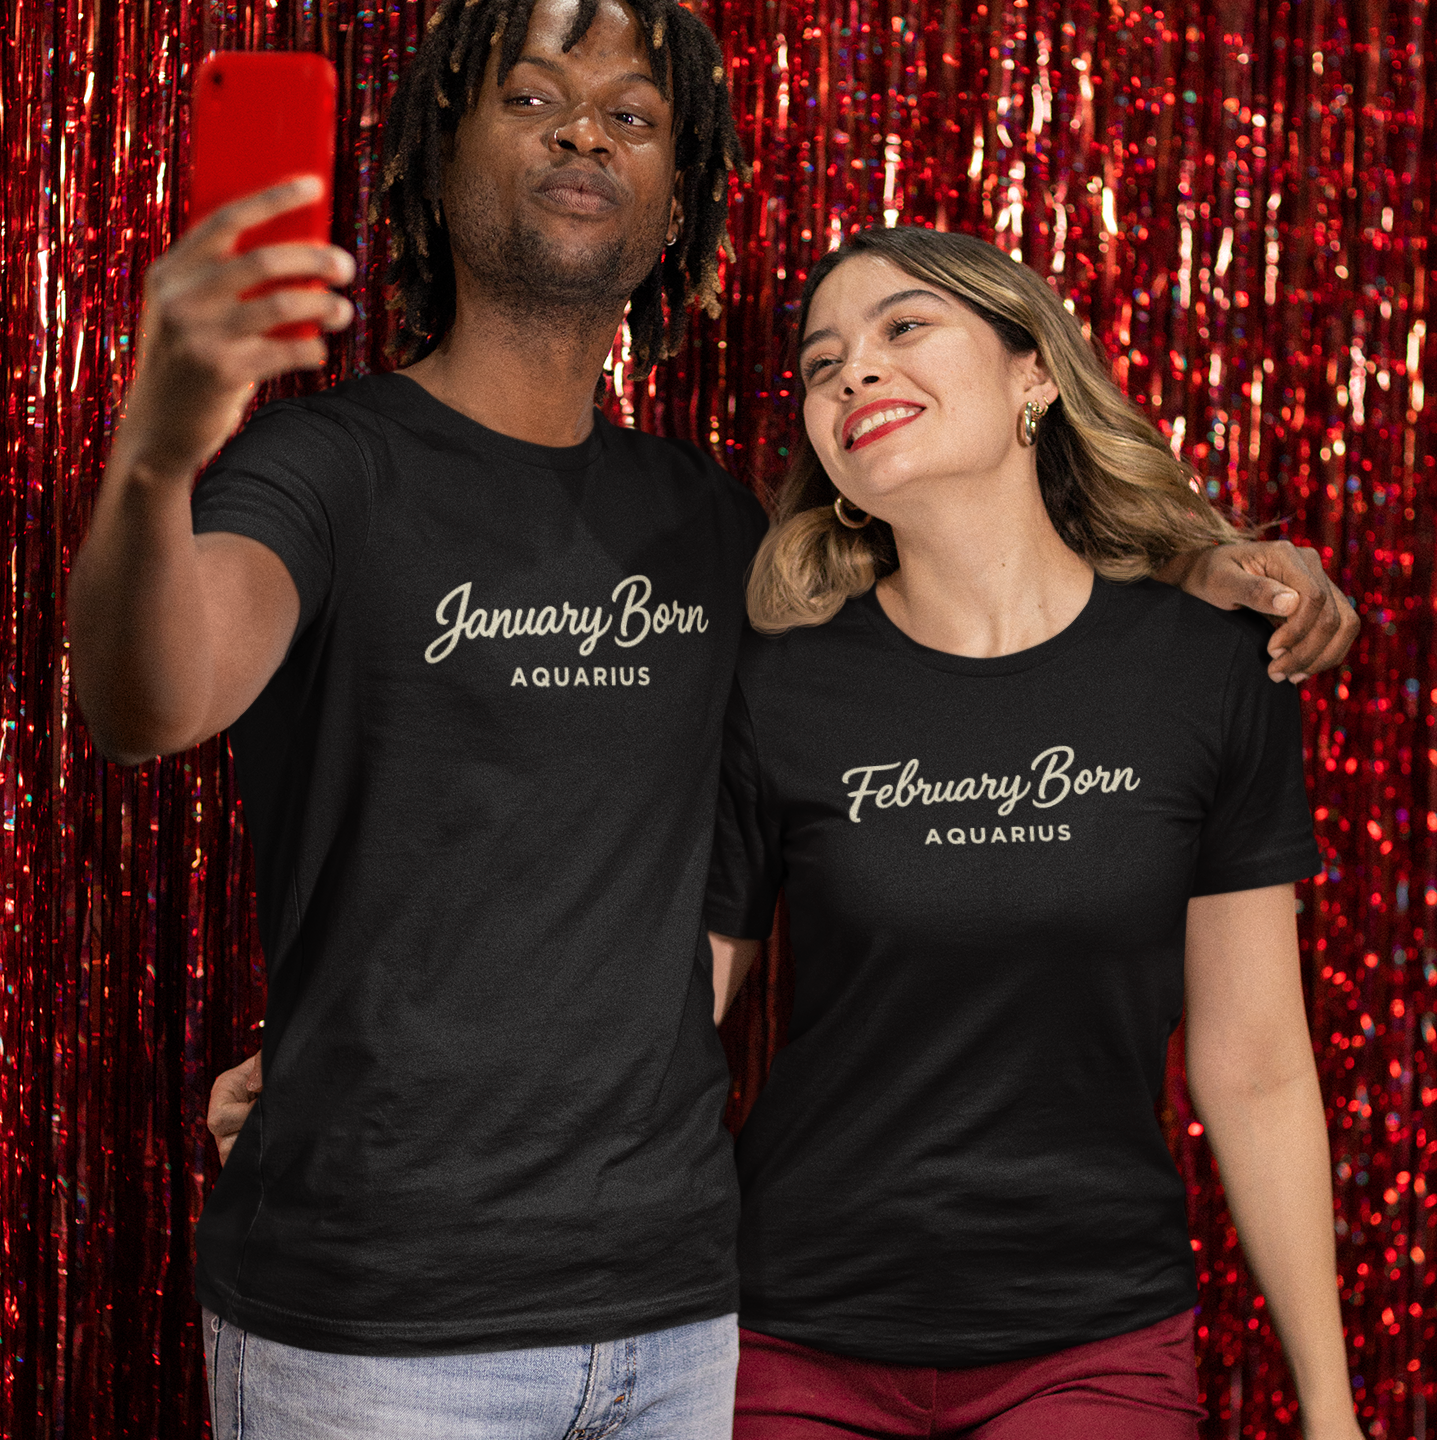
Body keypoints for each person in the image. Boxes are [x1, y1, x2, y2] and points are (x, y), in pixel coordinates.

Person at [79, 0, 1352, 1430]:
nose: (583, 130)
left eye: (632, 114)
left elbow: (978, 605)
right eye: (534, 96)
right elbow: (153, 703)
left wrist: (1205, 566)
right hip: (391, 1322)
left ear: (676, 202)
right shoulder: (325, 469)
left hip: (680, 1322)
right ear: (439, 159)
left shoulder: (705, 531)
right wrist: (159, 449)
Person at [702, 226, 1363, 1440]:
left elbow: (1257, 1065)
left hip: (1092, 1344)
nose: (853, 372)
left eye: (904, 328)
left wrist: (1330, 1409)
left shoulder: (1212, 668)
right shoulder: (779, 682)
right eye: (820, 363)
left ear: (1034, 376)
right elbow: (673, 1011)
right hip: (791, 1336)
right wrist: (381, 1084)